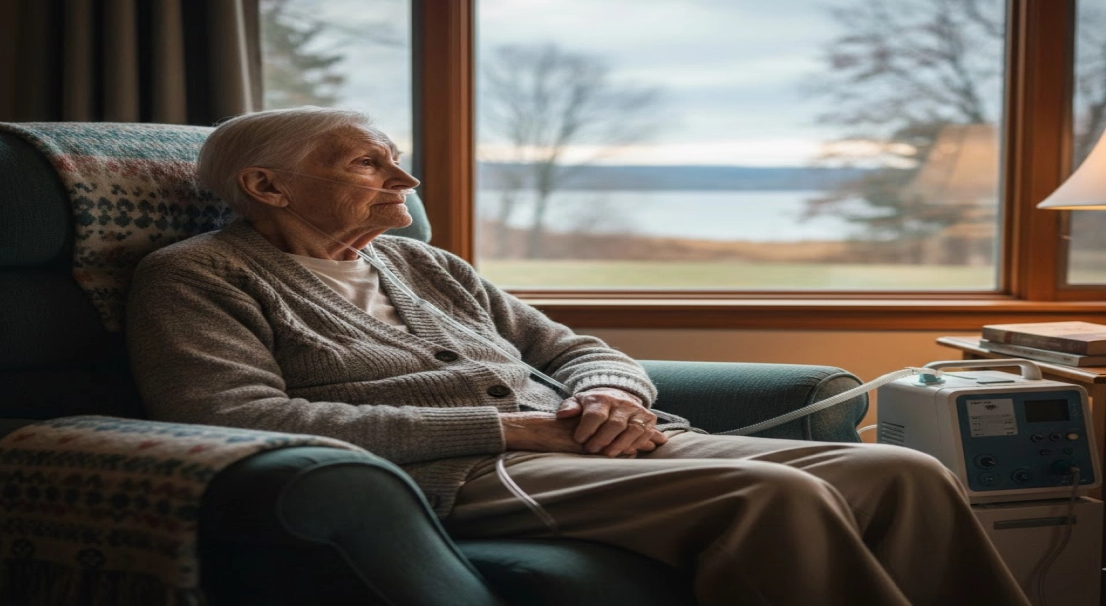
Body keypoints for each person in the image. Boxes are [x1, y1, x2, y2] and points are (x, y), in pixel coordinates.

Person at [125, 107, 1030, 606]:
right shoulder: (197, 278)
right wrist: (512, 424)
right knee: (777, 495)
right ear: (265, 184)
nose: (404, 181)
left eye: (398, 161)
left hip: (584, 443)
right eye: (368, 163)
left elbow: (578, 347)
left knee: (903, 471)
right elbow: (234, 417)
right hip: (464, 471)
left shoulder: (424, 262)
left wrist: (612, 395)